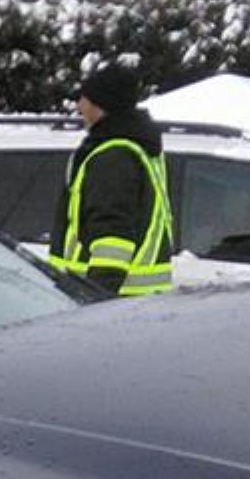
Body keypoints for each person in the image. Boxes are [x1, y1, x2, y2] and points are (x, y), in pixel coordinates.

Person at [51, 60, 175, 300]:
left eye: (84, 99)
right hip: (134, 302)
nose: (79, 106)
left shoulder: (113, 157)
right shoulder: (134, 146)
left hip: (112, 302)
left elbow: (112, 239)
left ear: (101, 105)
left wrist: (95, 301)